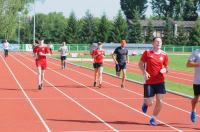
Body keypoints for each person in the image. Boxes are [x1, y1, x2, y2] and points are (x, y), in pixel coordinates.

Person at [138, 37, 168, 126]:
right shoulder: (147, 53)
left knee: (160, 101)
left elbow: (167, 67)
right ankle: (145, 103)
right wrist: (144, 72)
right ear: (153, 43)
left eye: (160, 41)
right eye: (157, 41)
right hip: (149, 82)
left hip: (160, 81)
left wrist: (165, 70)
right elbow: (140, 64)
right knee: (150, 103)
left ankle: (153, 118)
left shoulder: (164, 54)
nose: (158, 43)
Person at [186, 49, 200, 123]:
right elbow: (188, 64)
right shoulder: (196, 52)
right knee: (196, 99)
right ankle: (193, 110)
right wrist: (198, 64)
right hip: (198, 81)